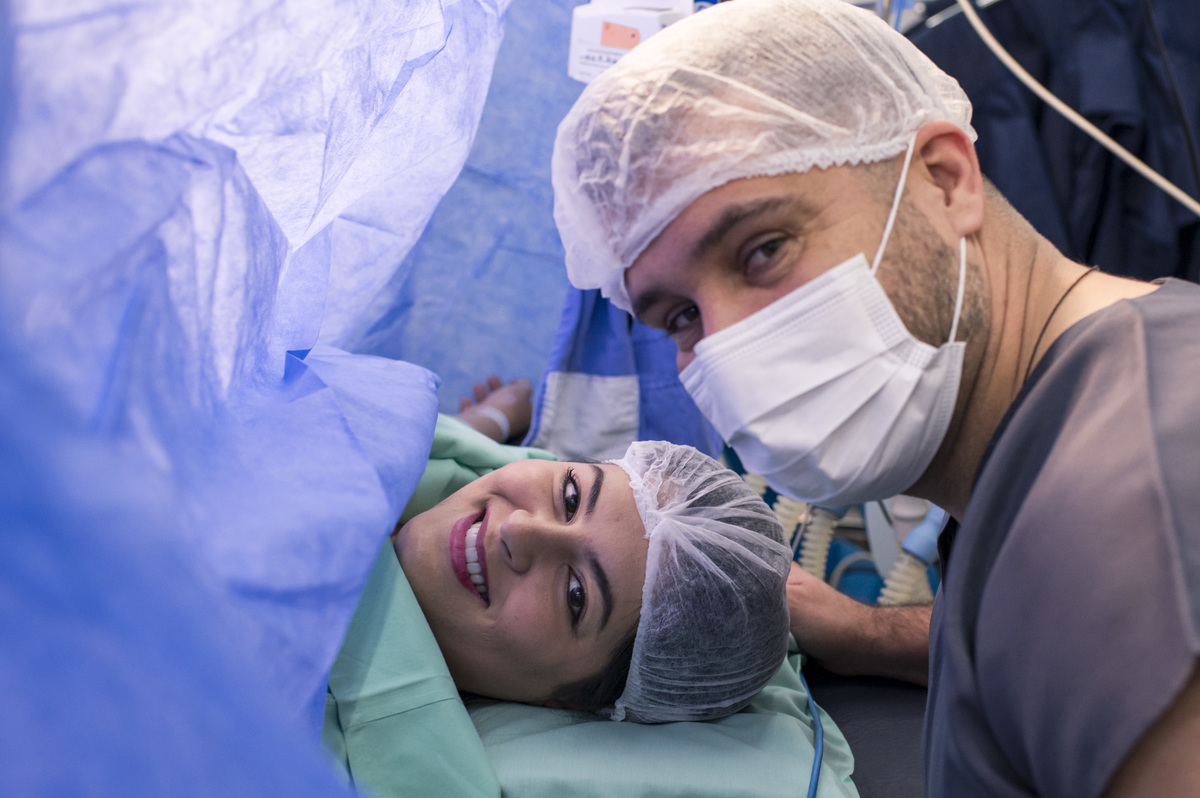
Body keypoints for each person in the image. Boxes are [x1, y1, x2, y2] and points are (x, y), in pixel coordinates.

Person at [549, 0, 1200, 795]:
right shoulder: (1054, 450)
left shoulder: (1135, 499)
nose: (726, 343)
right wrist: (866, 635)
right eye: (679, 316)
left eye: (763, 251)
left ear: (943, 180)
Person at [349, 376, 794, 722]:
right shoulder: (384, 431)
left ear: (565, 702)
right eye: (571, 496)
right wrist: (490, 422)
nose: (519, 530)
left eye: (575, 595)